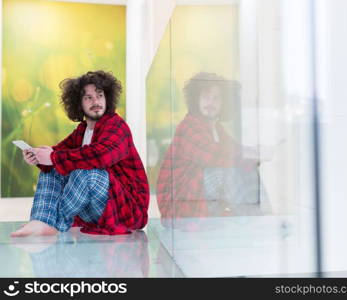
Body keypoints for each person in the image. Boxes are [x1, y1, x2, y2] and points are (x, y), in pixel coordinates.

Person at [11, 70, 149, 237]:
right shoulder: (82, 131)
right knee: (51, 169)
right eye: (88, 97)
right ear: (79, 103)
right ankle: (40, 220)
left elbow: (100, 156)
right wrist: (38, 156)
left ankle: (54, 223)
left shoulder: (117, 126)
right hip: (94, 211)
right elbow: (58, 153)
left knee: (87, 172)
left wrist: (54, 157)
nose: (96, 101)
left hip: (124, 211)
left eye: (99, 95)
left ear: (107, 99)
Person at [156, 72, 267, 229]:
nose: (211, 103)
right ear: (196, 100)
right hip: (179, 203)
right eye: (206, 97)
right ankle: (254, 221)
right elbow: (212, 157)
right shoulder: (189, 126)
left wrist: (256, 154)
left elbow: (234, 149)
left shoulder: (215, 128)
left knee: (249, 171)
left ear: (223, 103)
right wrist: (248, 156)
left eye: (217, 98)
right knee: (224, 172)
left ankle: (261, 218)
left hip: (198, 193)